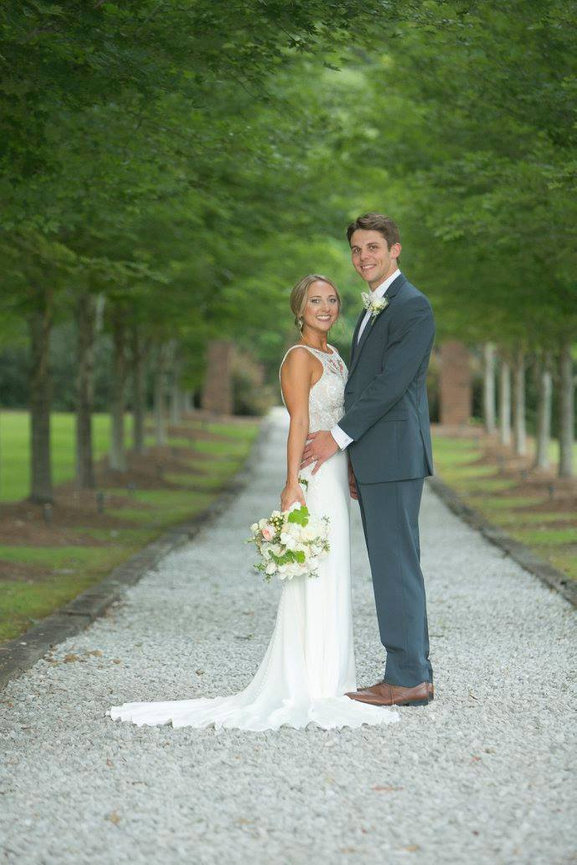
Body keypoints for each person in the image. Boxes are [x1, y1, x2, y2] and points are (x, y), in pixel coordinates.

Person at [107, 273, 399, 730]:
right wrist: (291, 483)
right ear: (299, 309)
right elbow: (298, 421)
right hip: (314, 477)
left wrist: (350, 469)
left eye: (332, 299)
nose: (326, 307)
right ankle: (310, 681)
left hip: (336, 471)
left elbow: (342, 420)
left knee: (334, 569)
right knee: (314, 572)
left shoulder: (335, 356)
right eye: (315, 301)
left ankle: (333, 676)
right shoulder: (299, 358)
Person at [301, 214, 435, 708]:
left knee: (396, 565)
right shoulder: (375, 307)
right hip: (378, 456)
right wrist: (356, 457)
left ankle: (408, 677)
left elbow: (389, 385)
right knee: (391, 564)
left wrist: (337, 439)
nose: (364, 257)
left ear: (395, 249)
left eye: (373, 247)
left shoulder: (412, 306)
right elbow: (361, 387)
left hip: (396, 456)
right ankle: (411, 672)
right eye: (357, 249)